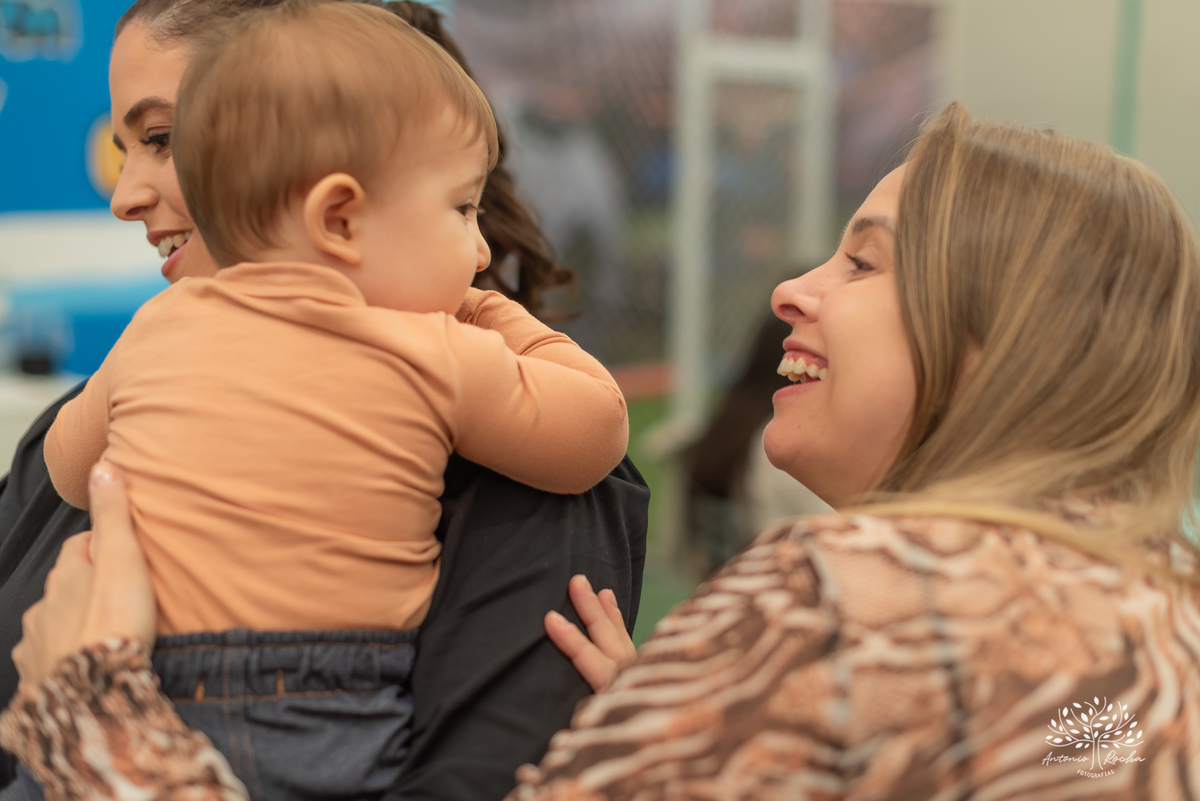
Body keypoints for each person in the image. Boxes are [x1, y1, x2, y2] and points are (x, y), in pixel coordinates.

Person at [9, 102, 1200, 799]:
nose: (791, 290)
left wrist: (92, 714)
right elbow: (1049, 745)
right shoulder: (1159, 629)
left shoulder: (841, 612)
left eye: (864, 263)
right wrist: (721, 735)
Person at [0, 1, 647, 797]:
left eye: (169, 140)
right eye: (123, 144)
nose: (124, 194)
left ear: (335, 207)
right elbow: (597, 415)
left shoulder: (518, 491)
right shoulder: (445, 363)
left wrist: (94, 719)